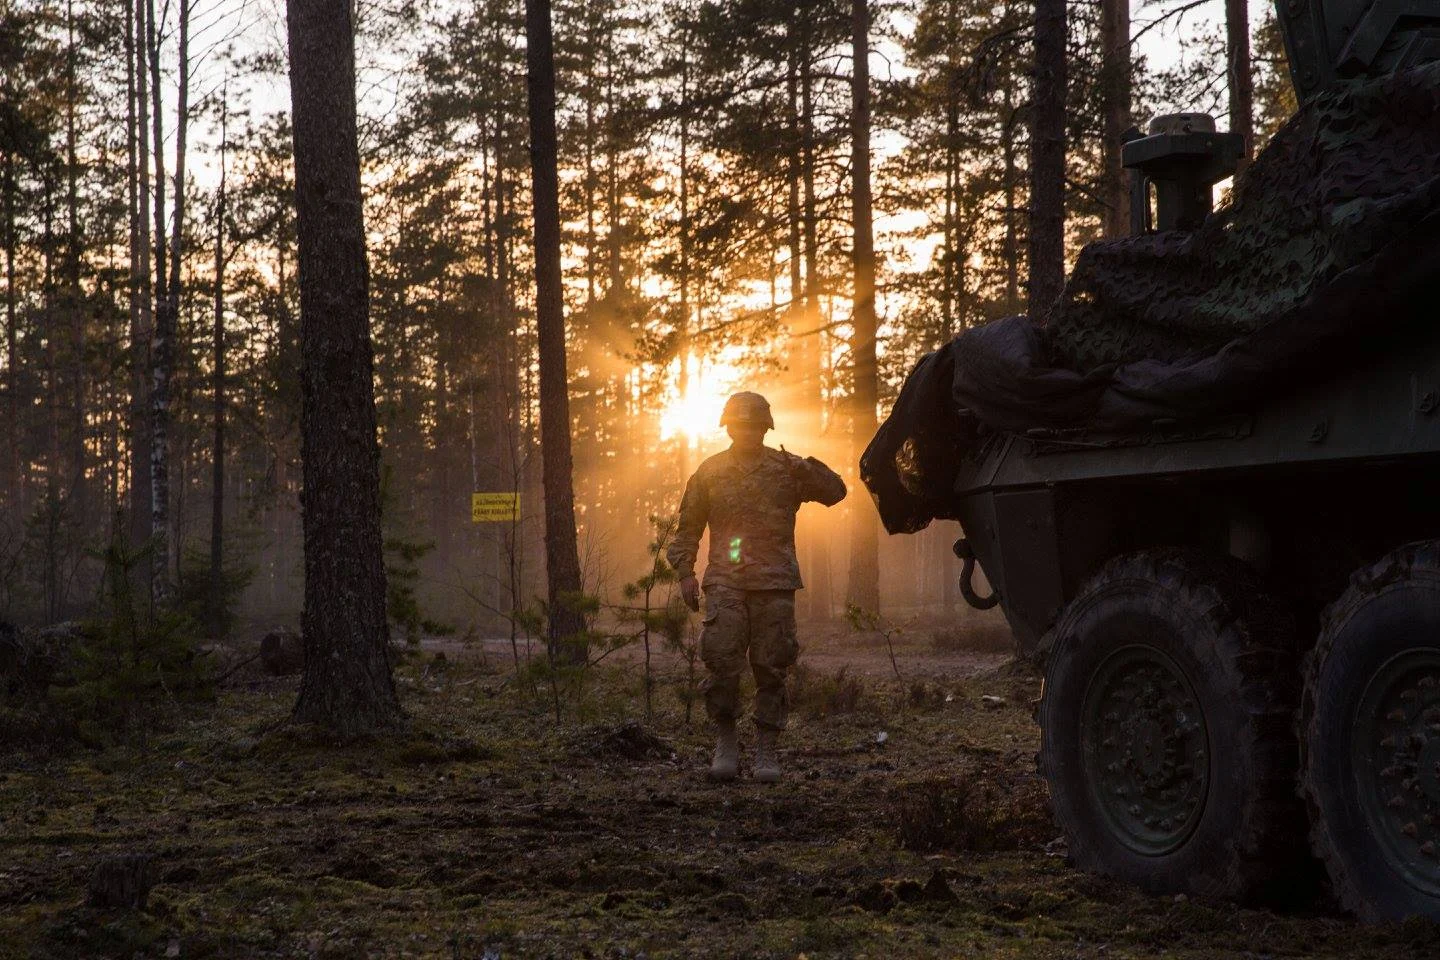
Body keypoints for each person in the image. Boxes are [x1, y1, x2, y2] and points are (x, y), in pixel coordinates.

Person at [667, 391, 847, 782]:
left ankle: (767, 750)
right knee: (722, 662)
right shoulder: (710, 472)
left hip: (775, 582)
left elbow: (836, 493)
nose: (746, 433)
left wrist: (806, 470)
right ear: (728, 427)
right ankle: (726, 742)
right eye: (739, 426)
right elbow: (687, 529)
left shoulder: (787, 468)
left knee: (772, 667)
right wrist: (685, 572)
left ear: (766, 428)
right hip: (726, 582)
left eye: (753, 426)